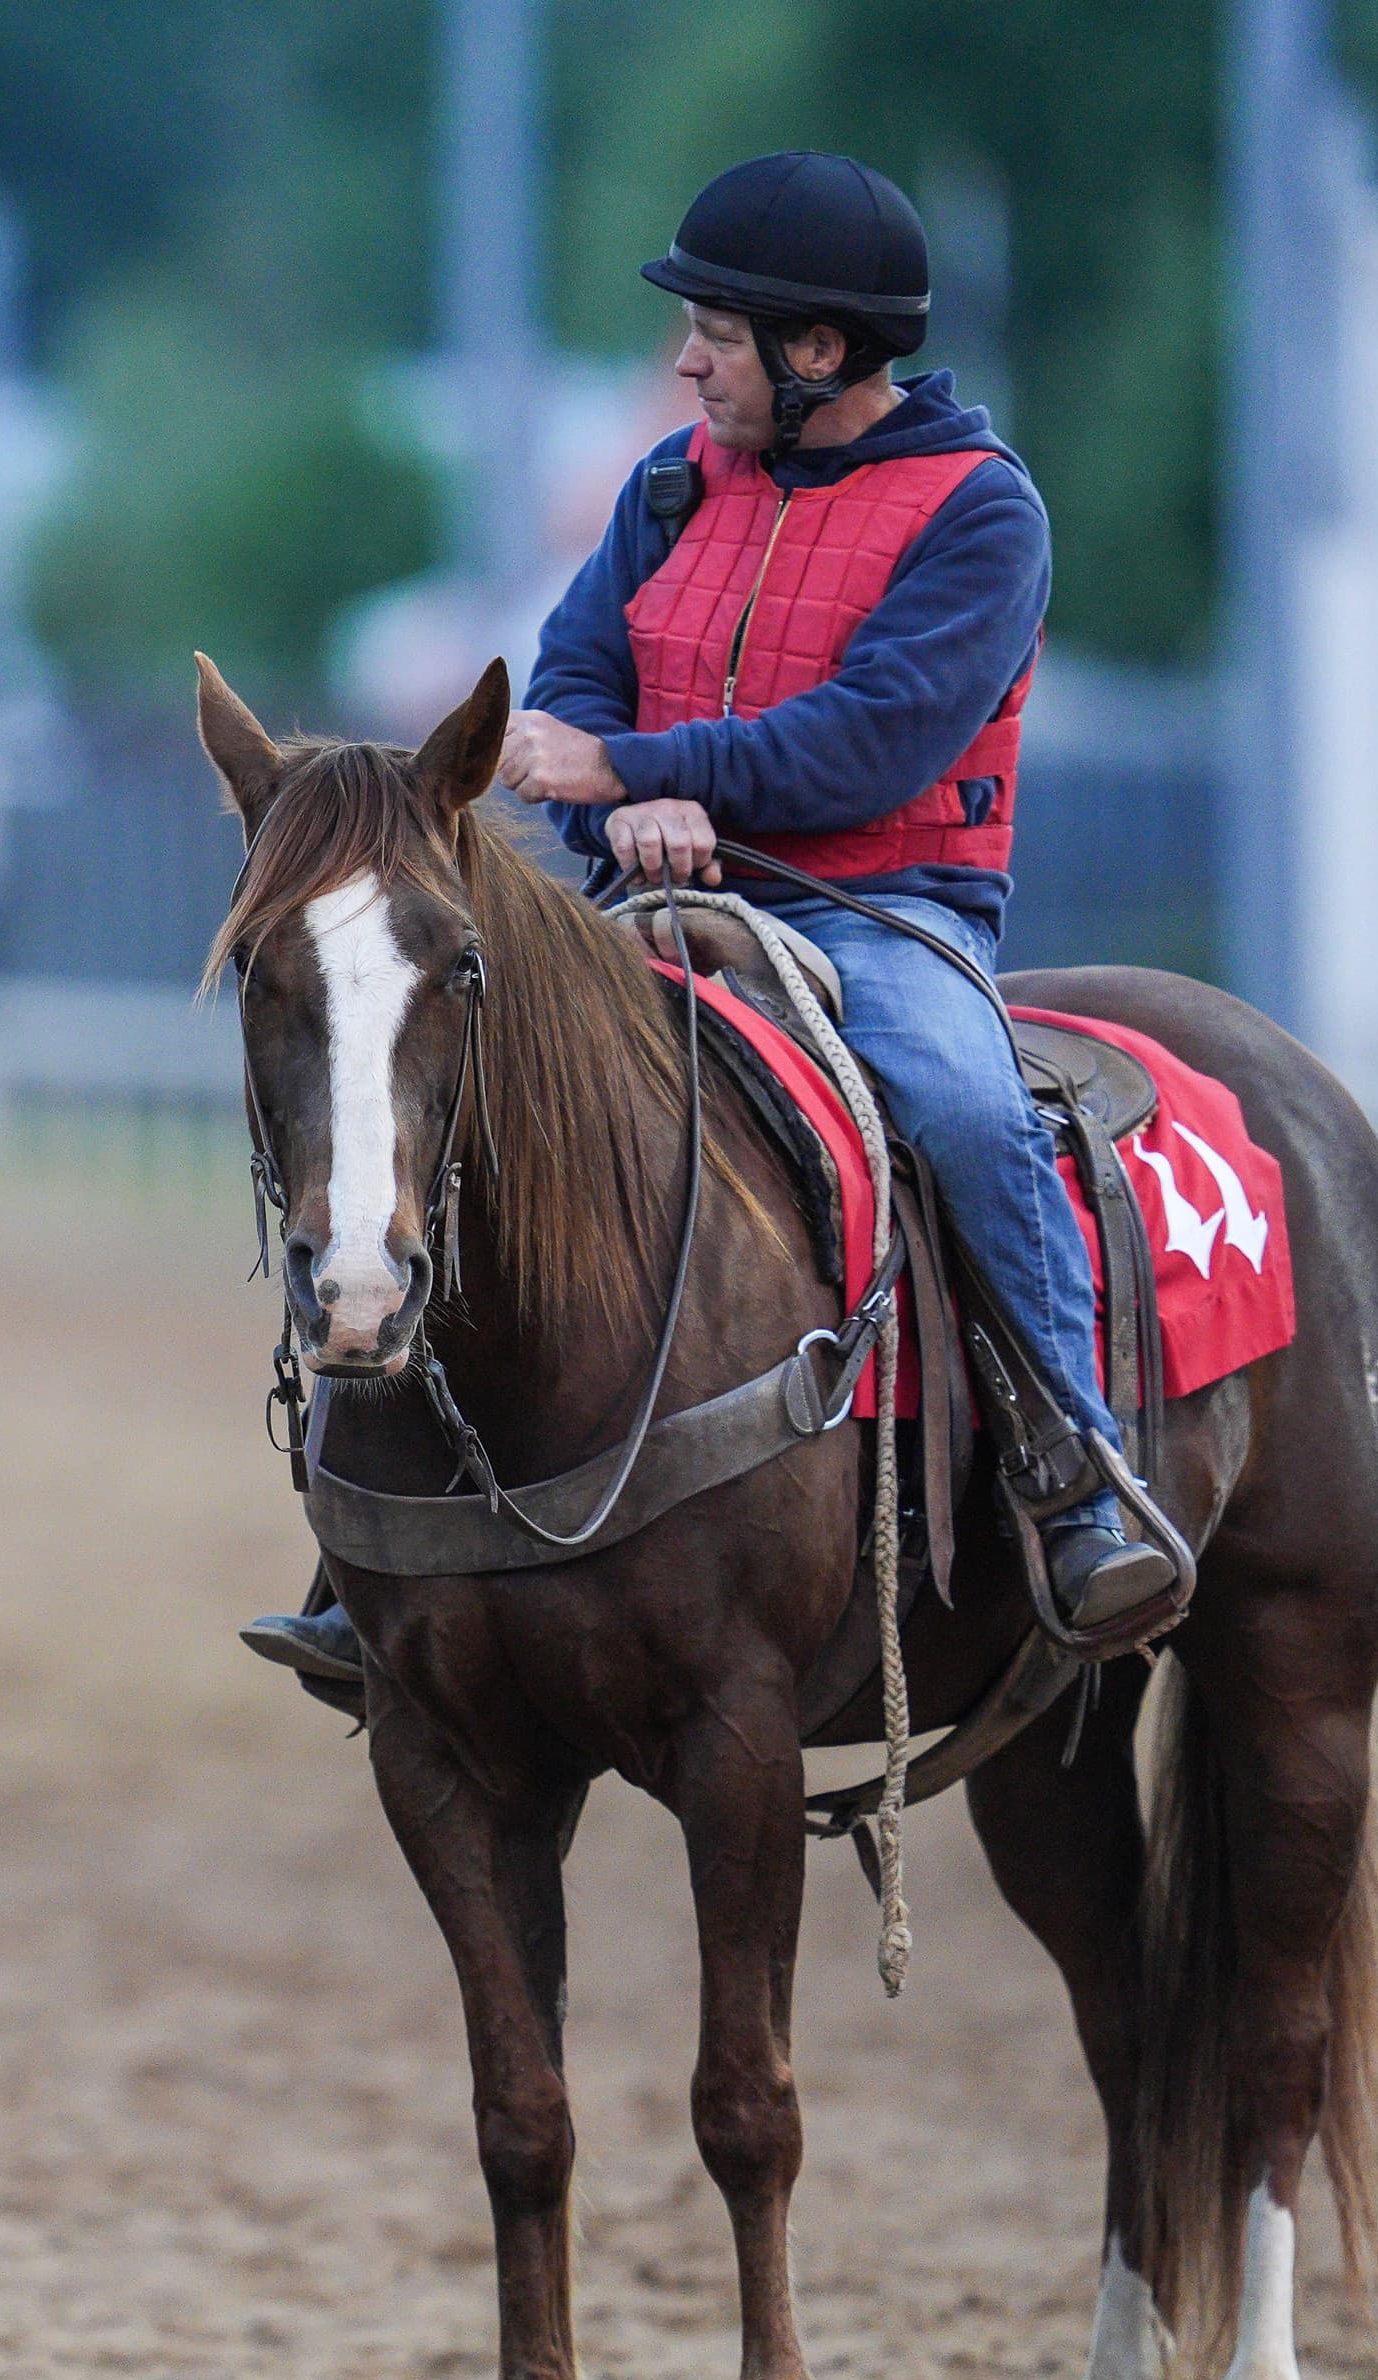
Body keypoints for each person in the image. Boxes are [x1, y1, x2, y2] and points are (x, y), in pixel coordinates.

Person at [248, 148, 1177, 1694]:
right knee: (461, 1089)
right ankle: (376, 1543)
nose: (686, 361)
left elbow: (876, 740)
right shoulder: (671, 484)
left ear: (817, 351)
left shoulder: (982, 515)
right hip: (653, 897)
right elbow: (569, 685)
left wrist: (647, 772)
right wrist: (622, 805)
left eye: (716, 334)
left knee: (964, 1109)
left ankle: (1076, 1476)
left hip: (882, 915)